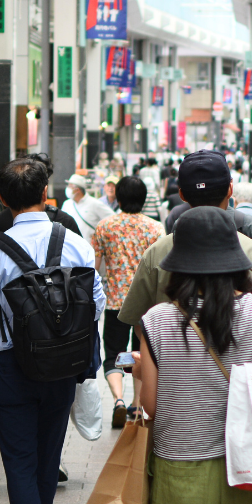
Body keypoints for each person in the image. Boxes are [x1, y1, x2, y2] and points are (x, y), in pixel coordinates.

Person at [0, 157, 106, 504]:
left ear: (3, 199)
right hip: (63, 366)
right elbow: (96, 303)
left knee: (20, 465)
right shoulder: (76, 243)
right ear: (46, 193)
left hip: (13, 367)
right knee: (47, 462)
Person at [134, 206, 252, 504]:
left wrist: (144, 370)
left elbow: (152, 406)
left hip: (181, 471)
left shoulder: (157, 320)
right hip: (251, 472)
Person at [119, 150, 252, 334]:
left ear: (182, 194)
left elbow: (139, 324)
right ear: (230, 190)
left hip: (173, 361)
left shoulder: (155, 254)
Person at [91, 176, 164, 428]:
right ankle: (137, 404)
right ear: (144, 200)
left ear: (118, 199)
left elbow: (95, 267)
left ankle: (119, 400)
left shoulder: (104, 226)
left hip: (114, 301)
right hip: (146, 303)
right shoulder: (155, 229)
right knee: (141, 352)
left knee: (113, 353)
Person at [61, 172, 114, 238]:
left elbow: (113, 218)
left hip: (89, 245)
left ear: (77, 190)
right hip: (72, 245)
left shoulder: (94, 203)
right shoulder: (67, 204)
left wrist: (102, 234)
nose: (68, 188)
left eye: (70, 186)